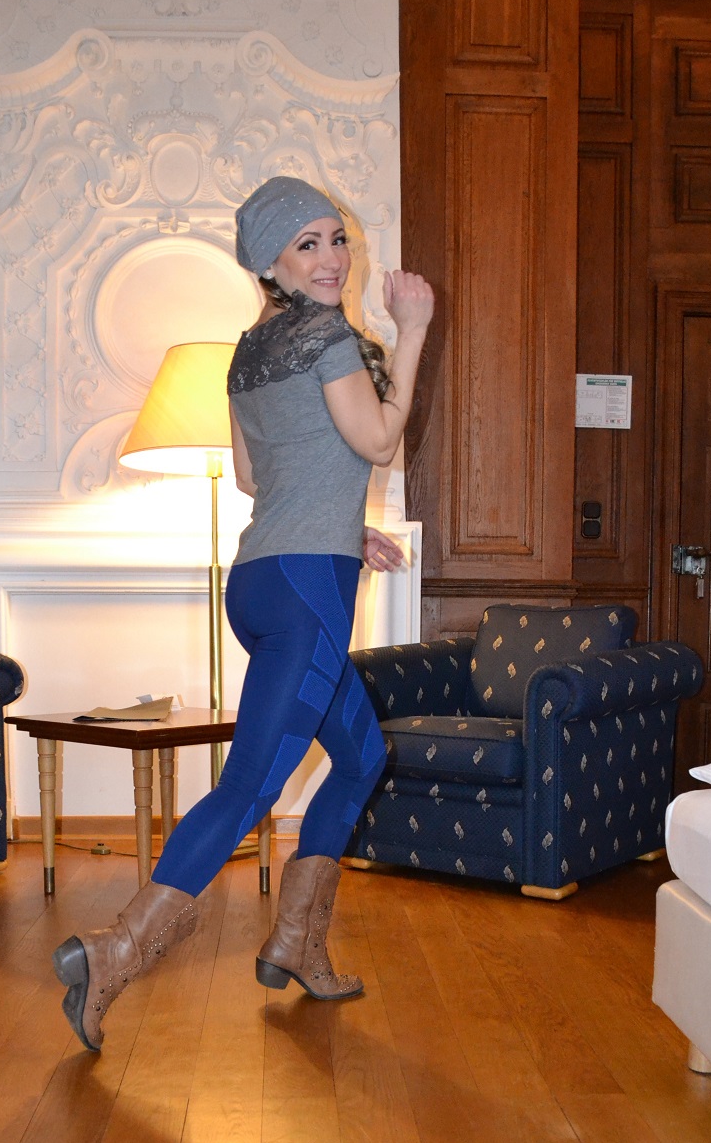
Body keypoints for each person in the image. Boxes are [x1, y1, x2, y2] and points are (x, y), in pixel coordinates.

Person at [53, 176, 435, 1052]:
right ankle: (113, 954)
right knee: (250, 787)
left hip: (262, 579)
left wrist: (348, 528)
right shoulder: (326, 334)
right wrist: (413, 330)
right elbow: (379, 440)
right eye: (307, 244)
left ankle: (297, 941)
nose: (332, 259)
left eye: (336, 239)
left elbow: (260, 479)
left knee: (362, 755)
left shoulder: (247, 351)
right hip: (306, 589)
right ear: (270, 262)